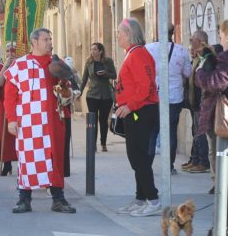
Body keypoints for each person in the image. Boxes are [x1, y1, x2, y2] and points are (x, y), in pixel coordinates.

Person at [4, 28, 76, 214]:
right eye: (46, 39)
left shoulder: (56, 64)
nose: (49, 42)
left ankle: (58, 199)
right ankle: (24, 199)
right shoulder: (20, 65)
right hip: (27, 123)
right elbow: (10, 95)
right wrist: (11, 119)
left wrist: (66, 91)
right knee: (27, 159)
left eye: (50, 39)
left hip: (52, 122)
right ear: (34, 42)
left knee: (55, 160)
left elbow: (68, 93)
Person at [115, 18, 161, 217]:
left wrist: (129, 106)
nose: (117, 36)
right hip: (137, 111)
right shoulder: (133, 54)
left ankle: (153, 199)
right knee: (137, 156)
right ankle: (140, 198)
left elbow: (145, 86)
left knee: (138, 157)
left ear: (129, 34)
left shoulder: (138, 55)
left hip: (140, 111)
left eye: (120, 32)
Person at [145, 23, 191, 173]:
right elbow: (188, 74)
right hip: (174, 97)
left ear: (159, 31)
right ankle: (169, 166)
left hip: (154, 96)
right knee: (171, 131)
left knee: (152, 130)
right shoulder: (181, 51)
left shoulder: (149, 49)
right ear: (173, 32)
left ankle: (148, 165)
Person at [195, 20, 228, 198]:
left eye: (221, 36)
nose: (220, 39)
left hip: (222, 118)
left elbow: (216, 82)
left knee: (219, 156)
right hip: (220, 118)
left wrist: (201, 70)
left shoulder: (226, 57)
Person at [80, 42, 117, 152]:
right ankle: (92, 144)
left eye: (95, 49)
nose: (93, 51)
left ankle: (103, 143)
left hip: (106, 96)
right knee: (93, 120)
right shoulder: (89, 62)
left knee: (103, 120)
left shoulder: (108, 62)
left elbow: (114, 75)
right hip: (92, 95)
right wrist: (80, 92)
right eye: (92, 49)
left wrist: (105, 74)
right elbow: (84, 79)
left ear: (100, 51)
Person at [182, 31, 210, 174]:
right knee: (196, 132)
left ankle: (203, 162)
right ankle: (196, 159)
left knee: (200, 134)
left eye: (192, 39)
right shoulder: (197, 59)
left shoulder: (205, 58)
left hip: (201, 104)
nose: (190, 41)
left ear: (199, 41)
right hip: (194, 103)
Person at [0, 43, 17, 176]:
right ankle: (7, 163)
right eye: (8, 51)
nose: (10, 53)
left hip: (20, 105)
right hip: (6, 105)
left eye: (13, 51)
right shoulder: (2, 67)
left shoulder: (22, 66)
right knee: (7, 137)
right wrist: (7, 65)